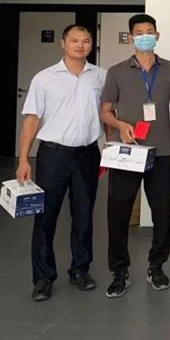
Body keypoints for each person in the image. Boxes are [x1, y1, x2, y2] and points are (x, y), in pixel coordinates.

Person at [16, 25, 107, 301]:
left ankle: (80, 270)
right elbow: (32, 119)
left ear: (91, 44)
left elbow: (107, 115)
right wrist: (23, 159)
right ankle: (43, 277)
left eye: (86, 40)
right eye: (74, 40)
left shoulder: (101, 76)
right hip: (53, 155)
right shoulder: (44, 78)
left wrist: (112, 149)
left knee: (83, 215)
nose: (80, 45)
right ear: (63, 43)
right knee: (45, 216)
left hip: (87, 154)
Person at [100, 14, 170, 298]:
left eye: (150, 32)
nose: (145, 36)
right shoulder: (116, 71)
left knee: (162, 213)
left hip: (162, 153)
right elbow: (105, 111)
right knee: (118, 212)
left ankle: (156, 266)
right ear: (131, 37)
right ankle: (119, 271)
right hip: (127, 152)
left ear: (157, 36)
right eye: (139, 33)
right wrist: (119, 125)